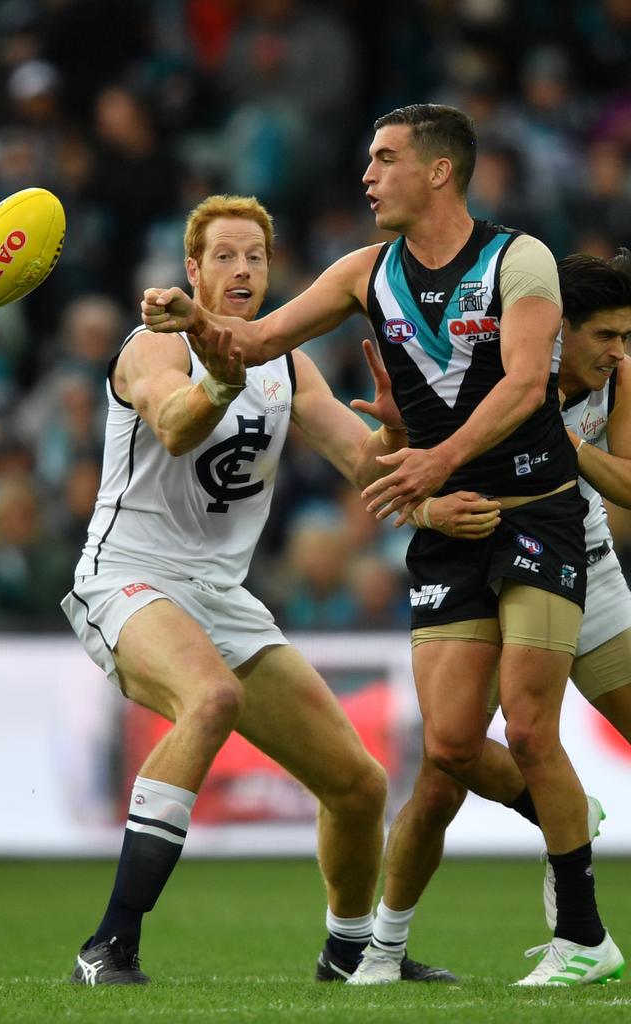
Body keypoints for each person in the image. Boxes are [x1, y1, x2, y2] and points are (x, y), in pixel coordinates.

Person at [141, 104, 623, 986]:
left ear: (439, 171)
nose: (366, 174)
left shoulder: (520, 260)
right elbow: (253, 343)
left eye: (384, 157)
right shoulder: (364, 272)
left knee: (525, 721)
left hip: (537, 513)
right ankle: (545, 833)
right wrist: (190, 322)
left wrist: (432, 458)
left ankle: (584, 938)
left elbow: (524, 385)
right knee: (445, 748)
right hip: (446, 532)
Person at [61, 194, 448, 986]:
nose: (243, 270)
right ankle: (109, 945)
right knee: (210, 700)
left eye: (256, 257)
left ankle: (347, 954)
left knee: (358, 784)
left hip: (220, 594)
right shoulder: (151, 347)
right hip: (128, 575)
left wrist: (399, 435)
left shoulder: (287, 362)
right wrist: (217, 382)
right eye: (225, 257)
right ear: (192, 271)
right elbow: (173, 424)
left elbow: (367, 470)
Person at [362, 249, 631, 982]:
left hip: (589, 565)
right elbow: (393, 482)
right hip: (484, 562)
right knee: (446, 762)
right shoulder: (493, 372)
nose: (618, 352)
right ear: (554, 330)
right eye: (605, 335)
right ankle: (380, 949)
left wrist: (566, 445)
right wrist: (411, 474)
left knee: (527, 733)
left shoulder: (619, 382)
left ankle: (567, 875)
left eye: (626, 336)